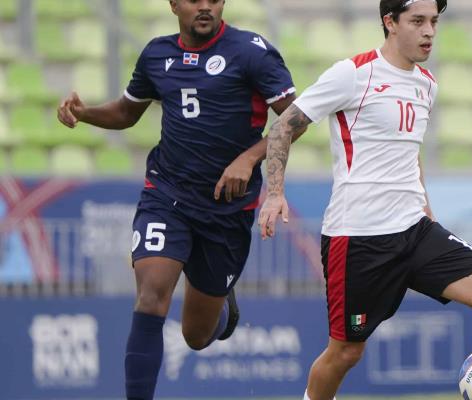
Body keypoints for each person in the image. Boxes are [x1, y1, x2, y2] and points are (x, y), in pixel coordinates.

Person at [257, 1, 472, 399]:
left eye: (434, 21)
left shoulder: (427, 84)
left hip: (415, 229)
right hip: (358, 239)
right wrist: (274, 193)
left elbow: (408, 151)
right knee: (346, 352)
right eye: (418, 21)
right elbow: (283, 129)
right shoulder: (353, 74)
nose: (429, 31)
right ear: (390, 23)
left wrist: (426, 209)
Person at [56, 1, 298, 398]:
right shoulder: (156, 53)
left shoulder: (253, 52)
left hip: (226, 208)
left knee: (196, 336)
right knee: (151, 294)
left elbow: (296, 117)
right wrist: (85, 114)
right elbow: (126, 113)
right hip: (167, 193)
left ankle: (222, 311)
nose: (204, 6)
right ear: (173, 4)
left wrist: (248, 157)